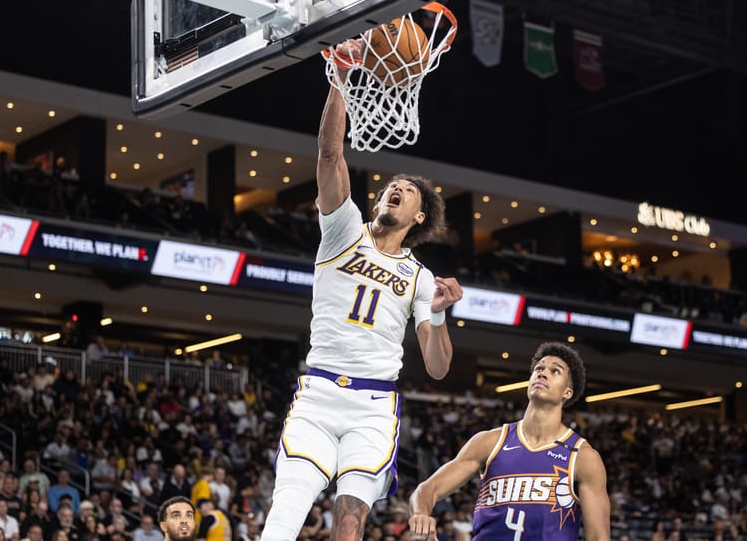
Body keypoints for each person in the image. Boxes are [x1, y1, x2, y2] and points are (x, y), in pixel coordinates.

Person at [260, 41, 463, 541]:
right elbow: (330, 154)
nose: (394, 188)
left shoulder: (420, 277)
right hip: (320, 390)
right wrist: (339, 79)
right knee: (286, 509)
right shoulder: (343, 229)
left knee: (349, 523)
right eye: (390, 185)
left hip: (374, 405)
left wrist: (437, 317)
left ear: (418, 216)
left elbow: (437, 368)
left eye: (407, 190)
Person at [407, 342, 610, 540]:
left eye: (555, 371)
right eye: (539, 368)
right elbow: (426, 490)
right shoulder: (490, 442)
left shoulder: (582, 457)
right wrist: (421, 514)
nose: (543, 372)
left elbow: (599, 536)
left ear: (567, 392)